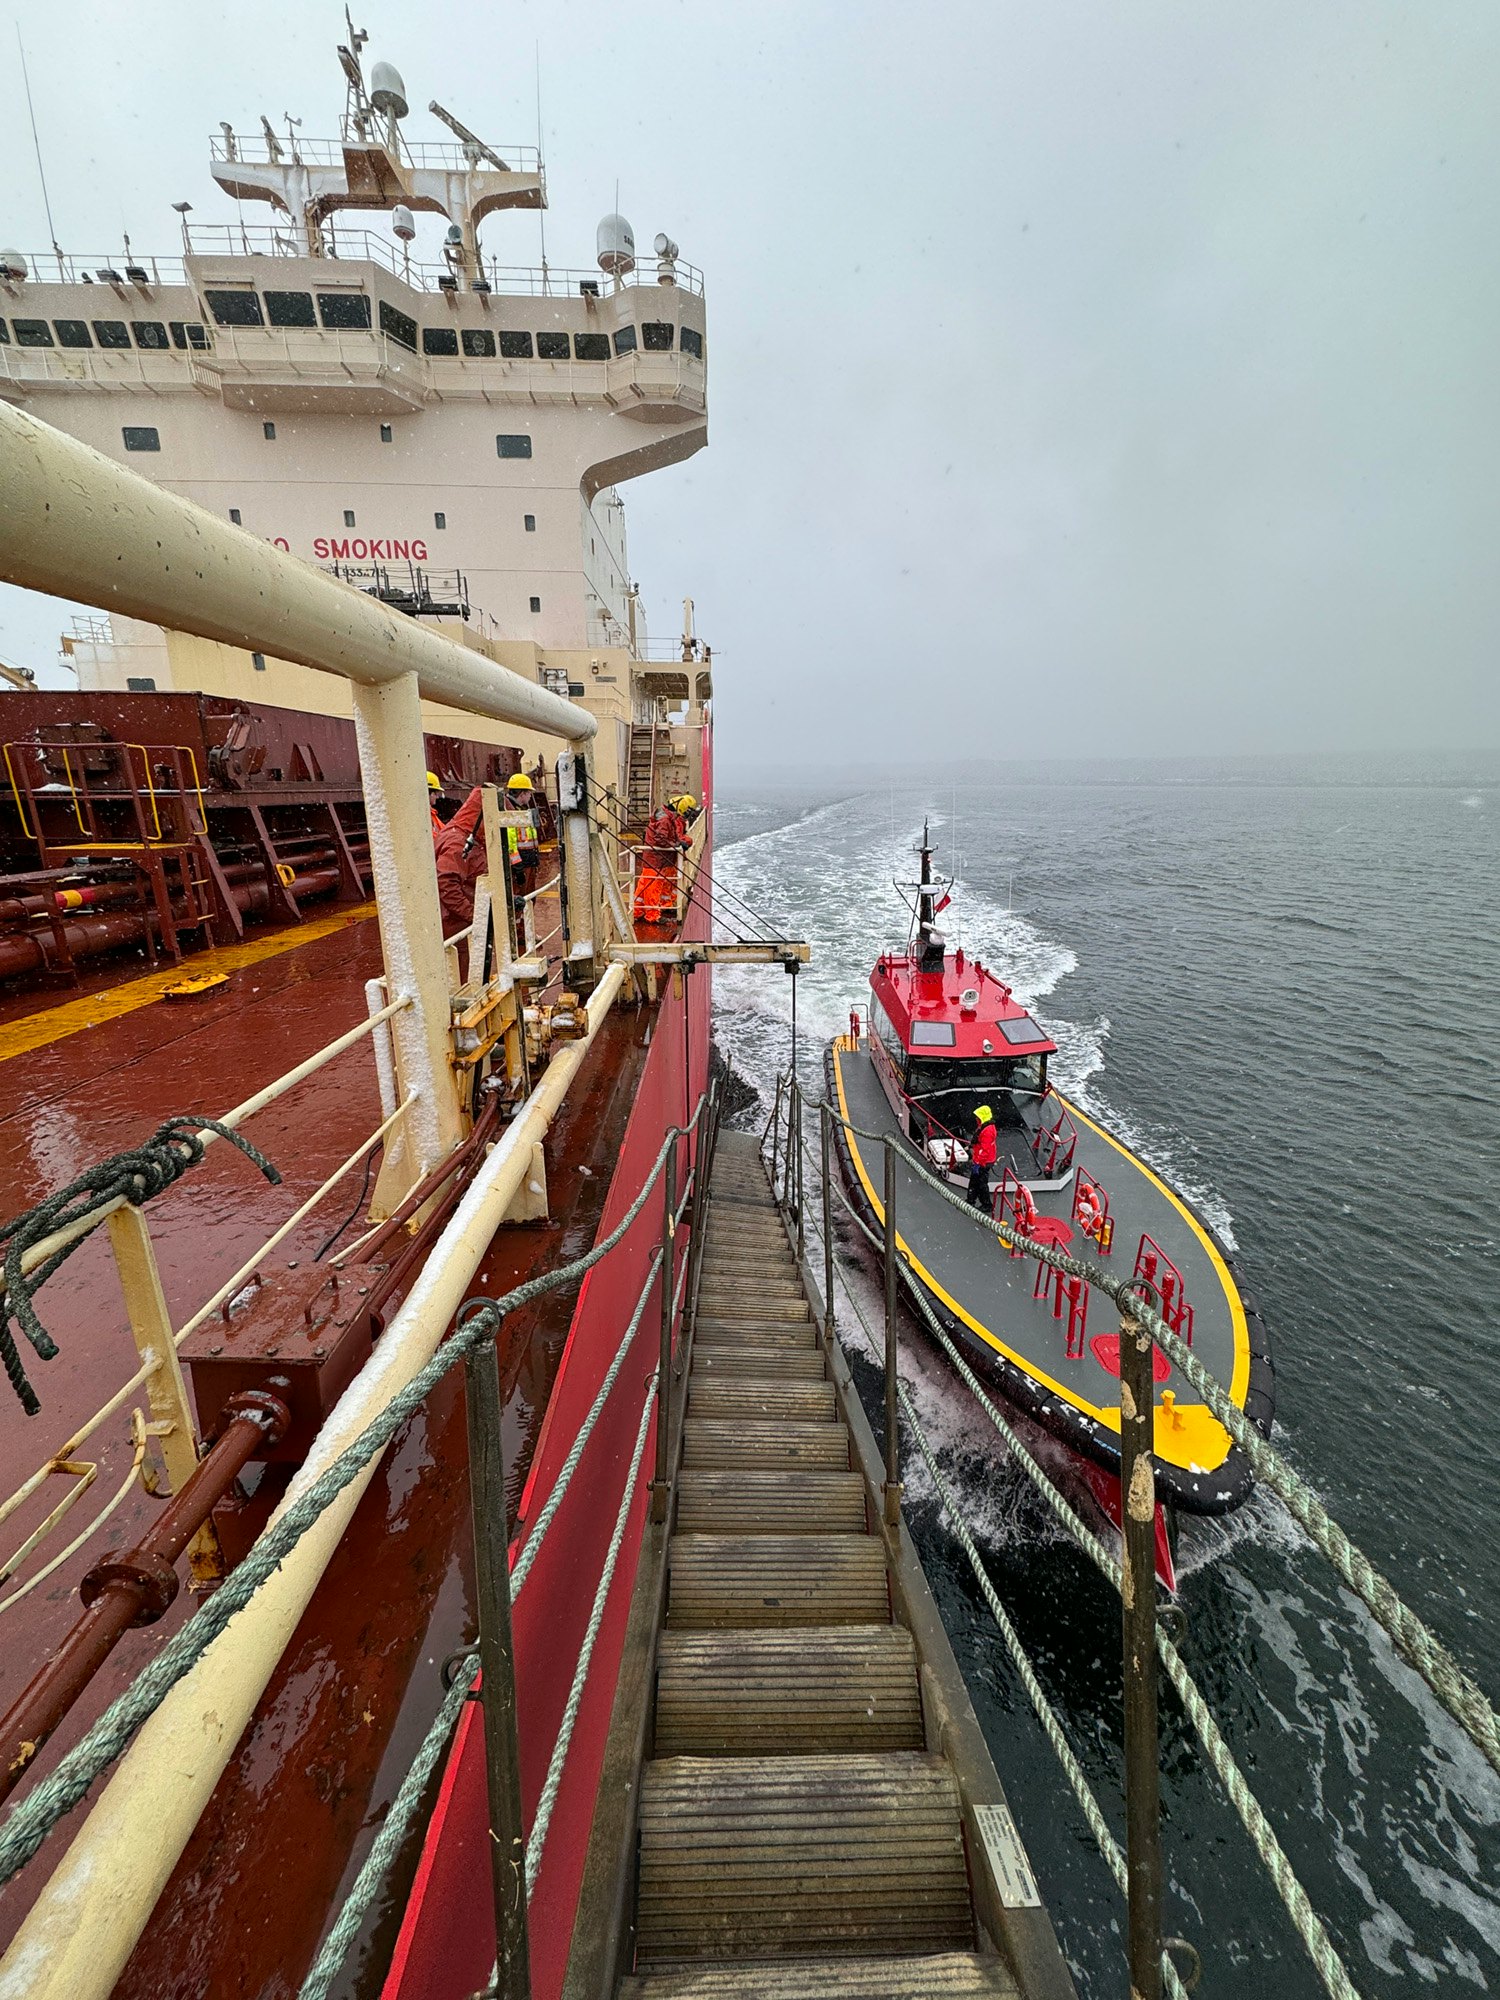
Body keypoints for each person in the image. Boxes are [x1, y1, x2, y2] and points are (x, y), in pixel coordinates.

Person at [633, 795, 691, 933]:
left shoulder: (666, 817)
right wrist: (677, 844)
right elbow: (661, 838)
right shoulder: (665, 820)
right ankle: (652, 916)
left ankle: (638, 911)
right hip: (656, 860)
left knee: (644, 886)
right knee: (653, 887)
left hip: (653, 859)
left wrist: (678, 842)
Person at [967, 1103, 998, 1210]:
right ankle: (971, 1199)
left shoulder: (987, 1131)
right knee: (975, 1181)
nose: (976, 1119)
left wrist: (978, 1163)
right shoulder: (985, 1127)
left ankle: (987, 1204)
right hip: (981, 1160)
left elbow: (985, 1150)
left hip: (983, 1162)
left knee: (981, 1183)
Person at [426, 770, 445, 834]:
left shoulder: (431, 814)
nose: (437, 797)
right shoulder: (425, 815)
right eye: (435, 794)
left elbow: (444, 831)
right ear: (427, 793)